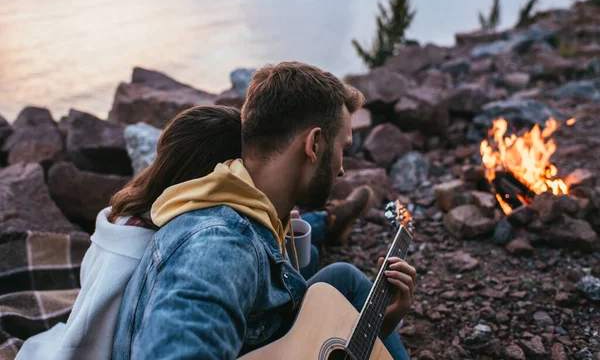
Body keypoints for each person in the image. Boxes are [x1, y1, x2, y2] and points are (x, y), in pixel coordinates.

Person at [14, 105, 373, 360]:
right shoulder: (204, 240)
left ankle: (329, 224)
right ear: (215, 176)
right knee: (327, 270)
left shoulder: (132, 215)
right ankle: (329, 224)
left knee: (309, 252)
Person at [113, 62, 415, 360]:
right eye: (342, 150)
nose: (342, 170)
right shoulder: (222, 247)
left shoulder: (254, 209)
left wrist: (378, 325)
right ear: (314, 144)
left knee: (342, 277)